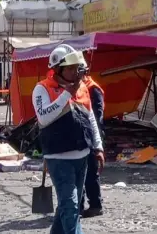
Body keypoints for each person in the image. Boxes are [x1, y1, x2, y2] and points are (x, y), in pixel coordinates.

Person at [32, 44, 104, 234]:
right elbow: (44, 117)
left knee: (66, 206)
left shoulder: (83, 89)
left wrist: (98, 147)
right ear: (57, 69)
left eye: (76, 68)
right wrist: (66, 95)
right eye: (70, 68)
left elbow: (90, 119)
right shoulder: (42, 89)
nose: (74, 72)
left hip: (82, 156)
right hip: (58, 158)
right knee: (71, 206)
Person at [80, 65, 105, 218]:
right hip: (81, 137)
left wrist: (97, 144)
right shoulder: (75, 88)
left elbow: (97, 116)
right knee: (79, 174)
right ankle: (79, 205)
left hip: (91, 136)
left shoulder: (92, 89)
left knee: (90, 173)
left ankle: (95, 205)